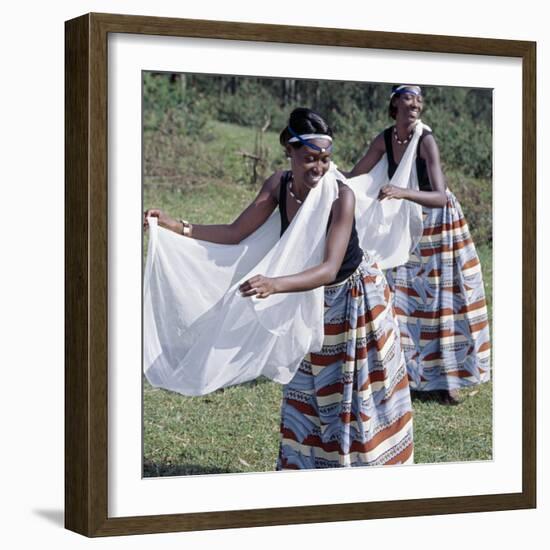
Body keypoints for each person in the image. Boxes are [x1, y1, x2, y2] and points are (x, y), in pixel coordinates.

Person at [144, 107, 413, 469]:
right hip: (304, 300)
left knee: (353, 395)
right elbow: (234, 232)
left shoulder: (340, 196)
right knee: (308, 388)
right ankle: (304, 469)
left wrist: (275, 283)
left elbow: (330, 267)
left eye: (325, 159)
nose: (318, 168)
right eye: (309, 159)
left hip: (352, 300)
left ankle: (361, 473)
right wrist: (179, 227)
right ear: (290, 150)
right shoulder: (278, 185)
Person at [346, 85, 491, 405]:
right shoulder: (385, 139)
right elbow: (356, 174)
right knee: (404, 302)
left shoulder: (426, 140)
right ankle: (409, 375)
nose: (414, 104)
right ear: (394, 103)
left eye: (418, 100)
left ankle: (448, 381)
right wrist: (332, 178)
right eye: (407, 98)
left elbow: (440, 196)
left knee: (440, 303)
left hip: (436, 226)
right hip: (404, 227)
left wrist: (401, 192)